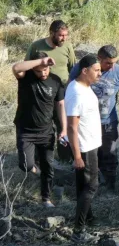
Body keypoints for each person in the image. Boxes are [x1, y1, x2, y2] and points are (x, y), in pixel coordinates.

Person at [69, 45, 119, 190]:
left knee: (109, 155)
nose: (112, 66)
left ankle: (110, 186)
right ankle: (88, 186)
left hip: (108, 122)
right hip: (85, 124)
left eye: (114, 62)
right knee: (88, 156)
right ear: (99, 59)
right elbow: (71, 90)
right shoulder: (82, 69)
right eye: (108, 63)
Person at [12, 54, 66, 207]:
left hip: (46, 132)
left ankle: (46, 199)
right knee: (26, 165)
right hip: (26, 130)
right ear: (32, 68)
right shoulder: (25, 77)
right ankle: (38, 172)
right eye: (39, 71)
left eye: (46, 69)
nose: (43, 73)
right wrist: (41, 62)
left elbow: (60, 105)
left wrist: (64, 128)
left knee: (48, 165)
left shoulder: (55, 81)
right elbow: (16, 67)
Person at [26, 20, 76, 162]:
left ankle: (65, 157)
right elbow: (27, 67)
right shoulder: (36, 46)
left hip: (63, 91)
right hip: (42, 92)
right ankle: (40, 158)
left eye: (66, 35)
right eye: (60, 35)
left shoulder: (67, 46)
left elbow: (73, 69)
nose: (64, 38)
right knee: (43, 124)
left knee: (63, 123)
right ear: (52, 33)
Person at [65, 55, 102, 242]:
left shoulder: (83, 87)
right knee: (91, 186)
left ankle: (88, 217)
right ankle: (79, 231)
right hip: (85, 147)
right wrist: (77, 155)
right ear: (85, 71)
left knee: (83, 185)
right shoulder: (77, 93)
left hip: (90, 144)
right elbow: (72, 126)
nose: (100, 74)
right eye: (96, 70)